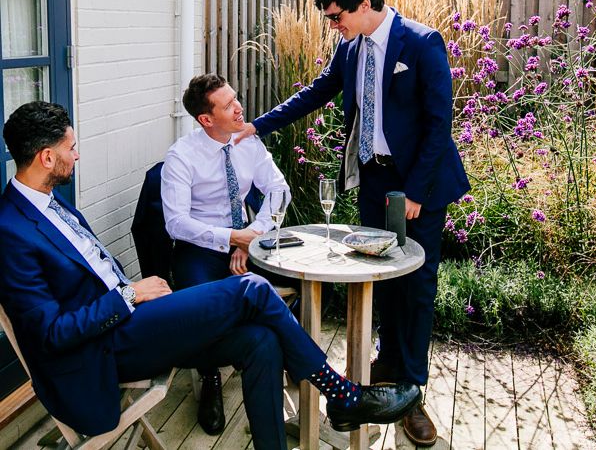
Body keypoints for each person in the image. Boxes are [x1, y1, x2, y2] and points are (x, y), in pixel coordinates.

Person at [0, 101, 421, 450]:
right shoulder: (12, 231)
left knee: (261, 341)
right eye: (72, 148)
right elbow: (50, 333)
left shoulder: (50, 202)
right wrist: (129, 294)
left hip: (133, 321)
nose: (78, 155)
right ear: (47, 157)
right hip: (103, 346)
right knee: (253, 289)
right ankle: (344, 395)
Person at [236, 0, 470, 446]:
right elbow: (316, 92)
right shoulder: (351, 50)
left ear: (366, 4)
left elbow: (437, 126)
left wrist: (416, 196)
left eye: (337, 16)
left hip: (418, 189)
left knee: (417, 288)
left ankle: (413, 393)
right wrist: (258, 124)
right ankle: (383, 371)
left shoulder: (422, 43)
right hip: (372, 182)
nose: (333, 26)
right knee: (378, 281)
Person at [161, 73, 290, 434]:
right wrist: (231, 237)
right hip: (199, 249)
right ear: (206, 119)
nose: (240, 108)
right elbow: (176, 223)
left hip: (249, 240)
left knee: (298, 282)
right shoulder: (181, 156)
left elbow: (279, 191)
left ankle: (289, 361)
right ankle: (209, 375)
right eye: (229, 104)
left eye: (236, 98)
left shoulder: (248, 141)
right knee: (199, 308)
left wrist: (254, 236)